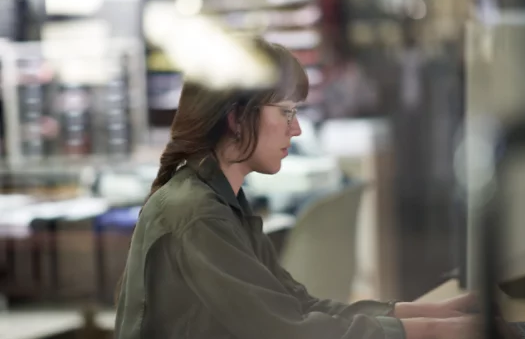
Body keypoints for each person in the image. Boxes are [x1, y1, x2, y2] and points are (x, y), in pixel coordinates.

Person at [114, 37, 480, 339]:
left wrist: (430, 314)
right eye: (287, 112)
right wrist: (431, 329)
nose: (297, 129)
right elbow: (286, 330)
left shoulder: (223, 200)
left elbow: (297, 305)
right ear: (237, 118)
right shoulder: (197, 213)